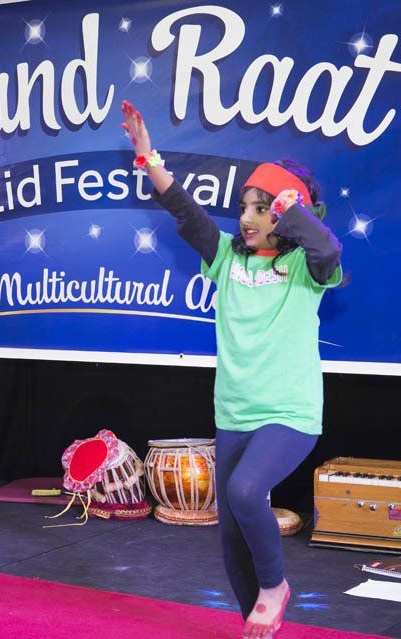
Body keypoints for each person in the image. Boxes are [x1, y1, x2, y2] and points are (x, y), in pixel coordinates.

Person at [120, 100, 342, 638]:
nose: (245, 218)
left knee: (246, 494)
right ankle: (256, 621)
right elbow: (185, 211)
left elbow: (328, 247)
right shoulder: (227, 256)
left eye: (261, 209)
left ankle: (276, 586)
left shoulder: (303, 269)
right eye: (244, 206)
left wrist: (293, 206)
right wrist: (148, 157)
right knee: (230, 536)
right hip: (235, 412)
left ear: (287, 216)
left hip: (289, 412)